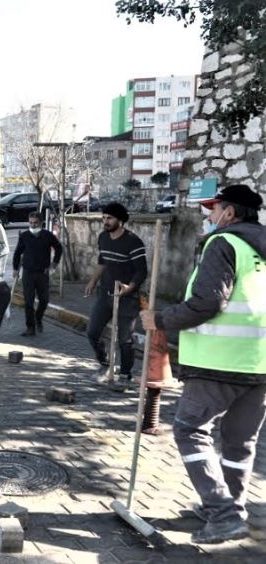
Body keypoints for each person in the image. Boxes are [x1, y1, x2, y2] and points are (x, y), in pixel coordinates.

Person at [140, 184, 265, 544]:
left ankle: (222, 513)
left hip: (219, 362)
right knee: (241, 442)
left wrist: (159, 319)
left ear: (230, 212)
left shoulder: (224, 243)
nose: (209, 217)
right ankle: (230, 506)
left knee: (190, 430)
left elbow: (208, 302)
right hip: (260, 364)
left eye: (214, 210)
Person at [84, 202, 147, 386]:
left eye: (109, 218)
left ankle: (125, 374)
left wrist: (130, 287)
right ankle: (105, 363)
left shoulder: (133, 242)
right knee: (92, 332)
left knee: (124, 339)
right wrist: (93, 281)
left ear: (121, 220)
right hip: (105, 294)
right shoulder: (103, 237)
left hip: (127, 298)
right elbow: (102, 262)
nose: (105, 221)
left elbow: (142, 271)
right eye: (103, 218)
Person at [13, 211, 62, 337]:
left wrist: (55, 263)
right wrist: (15, 269)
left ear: (41, 223)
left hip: (42, 273)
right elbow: (17, 253)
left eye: (35, 223)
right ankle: (30, 327)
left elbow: (59, 248)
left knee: (44, 300)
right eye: (30, 223)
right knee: (28, 302)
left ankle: (38, 318)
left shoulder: (48, 235)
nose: (33, 225)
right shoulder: (24, 236)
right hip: (28, 273)